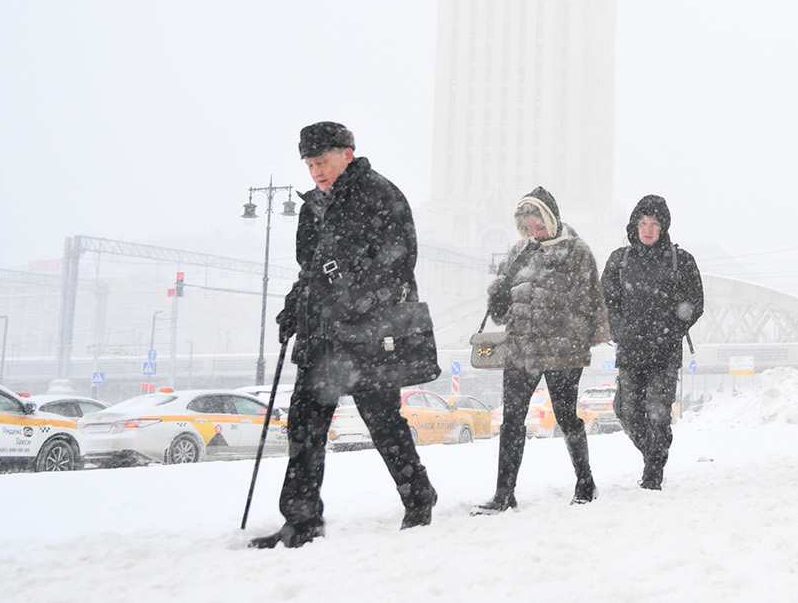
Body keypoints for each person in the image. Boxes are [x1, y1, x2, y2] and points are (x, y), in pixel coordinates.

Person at [254, 121, 439, 549]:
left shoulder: (380, 194)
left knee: (382, 421)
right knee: (304, 425)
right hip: (320, 338)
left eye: (322, 162)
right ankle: (301, 519)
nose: (316, 171)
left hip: (366, 337)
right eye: (309, 164)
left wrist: (353, 303)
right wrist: (294, 306)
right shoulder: (312, 208)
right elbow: (310, 272)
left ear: (347, 154)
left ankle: (418, 496)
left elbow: (397, 265)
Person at [474, 187, 610, 513]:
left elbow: (590, 305)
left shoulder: (576, 251)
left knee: (566, 417)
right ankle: (504, 493)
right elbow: (500, 313)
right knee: (512, 420)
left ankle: (585, 482)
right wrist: (499, 295)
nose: (534, 233)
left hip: (563, 352)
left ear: (552, 219)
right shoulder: (518, 252)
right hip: (520, 350)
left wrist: (568, 335)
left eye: (539, 226)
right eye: (528, 228)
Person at [601, 195, 705, 490]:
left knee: (658, 416)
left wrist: (673, 329)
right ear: (634, 226)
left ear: (663, 228)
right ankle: (654, 455)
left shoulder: (680, 261)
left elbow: (695, 302)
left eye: (654, 224)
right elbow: (606, 301)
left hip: (664, 352)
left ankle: (652, 477)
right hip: (630, 351)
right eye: (643, 223)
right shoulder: (619, 260)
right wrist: (618, 330)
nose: (648, 229)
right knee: (627, 413)